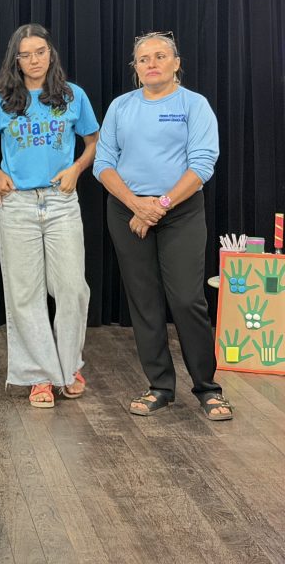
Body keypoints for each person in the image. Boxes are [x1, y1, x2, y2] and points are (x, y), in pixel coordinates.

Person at [93, 31, 232, 421]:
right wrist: (136, 204)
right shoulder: (121, 106)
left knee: (187, 299)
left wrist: (160, 206)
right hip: (128, 211)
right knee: (145, 302)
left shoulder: (194, 105)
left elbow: (202, 163)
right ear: (135, 68)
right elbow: (103, 162)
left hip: (180, 211)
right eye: (143, 59)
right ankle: (160, 387)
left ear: (176, 63)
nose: (151, 63)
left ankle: (208, 388)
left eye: (160, 56)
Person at [0, 24, 99, 408]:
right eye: (26, 54)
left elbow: (93, 142)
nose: (34, 60)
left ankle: (68, 366)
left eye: (40, 52)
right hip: (17, 204)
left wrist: (77, 169)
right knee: (25, 293)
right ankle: (39, 376)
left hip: (60, 200)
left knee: (72, 288)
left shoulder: (72, 95)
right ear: (15, 60)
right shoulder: (1, 100)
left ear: (51, 54)